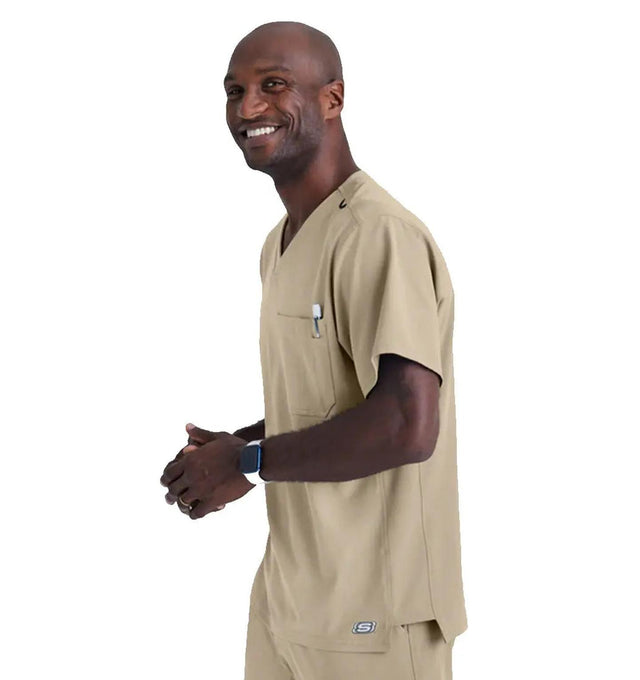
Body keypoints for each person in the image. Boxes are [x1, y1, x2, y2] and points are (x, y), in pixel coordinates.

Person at [160, 20, 467, 680]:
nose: (248, 108)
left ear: (333, 99)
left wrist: (248, 461)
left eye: (273, 85)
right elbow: (333, 403)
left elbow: (408, 424)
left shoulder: (378, 235)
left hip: (376, 615)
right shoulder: (279, 244)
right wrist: (234, 448)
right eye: (234, 90)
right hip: (289, 604)